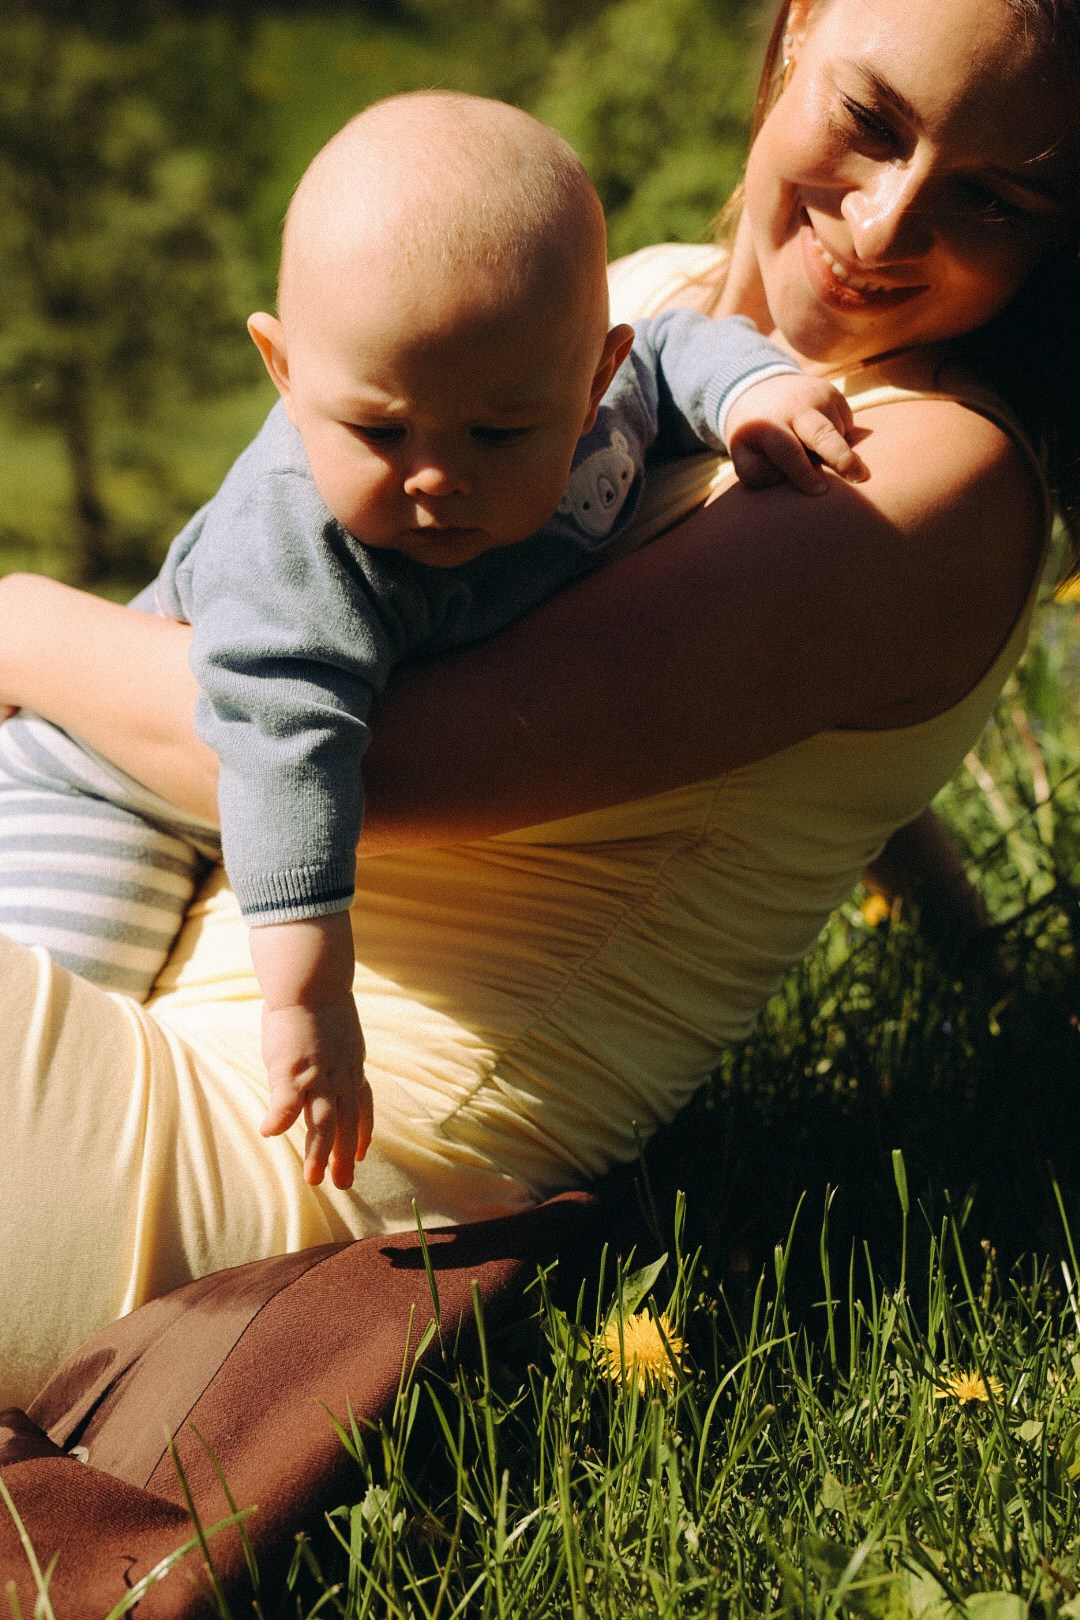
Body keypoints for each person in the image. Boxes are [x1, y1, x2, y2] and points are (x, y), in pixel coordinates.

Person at [0, 0, 1076, 1412]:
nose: (883, 225)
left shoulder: (918, 481)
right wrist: (971, 949)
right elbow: (816, 752)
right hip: (163, 990)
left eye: (993, 200)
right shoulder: (640, 298)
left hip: (286, 1170)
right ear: (800, 30)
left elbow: (363, 769)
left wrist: (20, 620)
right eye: (874, 122)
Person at [0, 92, 863, 1192]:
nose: (437, 475)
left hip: (220, 806)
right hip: (102, 782)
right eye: (379, 430)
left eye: (501, 433)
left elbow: (681, 350)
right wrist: (310, 1005)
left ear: (592, 375)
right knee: (64, 1035)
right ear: (283, 369)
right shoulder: (303, 546)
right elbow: (280, 763)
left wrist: (757, 393)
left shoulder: (605, 394)